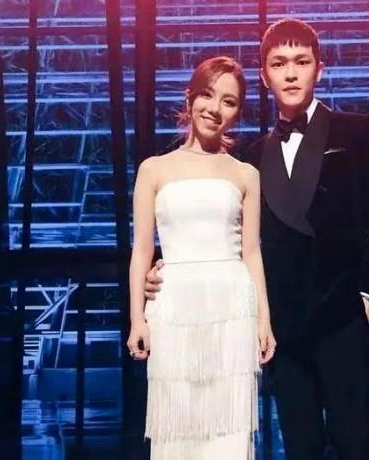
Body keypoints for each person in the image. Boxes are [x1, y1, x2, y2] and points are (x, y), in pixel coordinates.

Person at [146, 18, 369, 460]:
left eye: (301, 62)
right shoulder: (250, 155)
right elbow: (217, 222)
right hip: (283, 324)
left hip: (343, 314)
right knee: (300, 445)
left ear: (319, 69)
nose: (291, 73)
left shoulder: (359, 131)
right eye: (279, 63)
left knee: (356, 441)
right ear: (264, 76)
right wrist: (163, 264)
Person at [127, 56, 276, 460]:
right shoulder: (153, 170)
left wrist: (264, 318)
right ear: (190, 97)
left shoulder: (245, 174)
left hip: (232, 309)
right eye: (207, 95)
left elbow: (251, 251)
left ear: (237, 112)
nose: (215, 109)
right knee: (177, 428)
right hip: (173, 309)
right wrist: (137, 318)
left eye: (229, 101)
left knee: (228, 433)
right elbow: (142, 250)